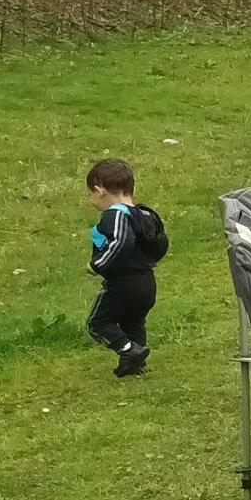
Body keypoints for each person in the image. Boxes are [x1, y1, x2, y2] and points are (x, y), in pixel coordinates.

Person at [84, 157, 168, 379]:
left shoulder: (116, 215)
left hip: (123, 284)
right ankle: (135, 364)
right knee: (134, 322)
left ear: (99, 190)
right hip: (147, 281)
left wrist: (97, 265)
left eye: (90, 195)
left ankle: (129, 350)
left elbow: (120, 242)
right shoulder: (144, 215)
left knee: (97, 322)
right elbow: (161, 244)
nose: (91, 200)